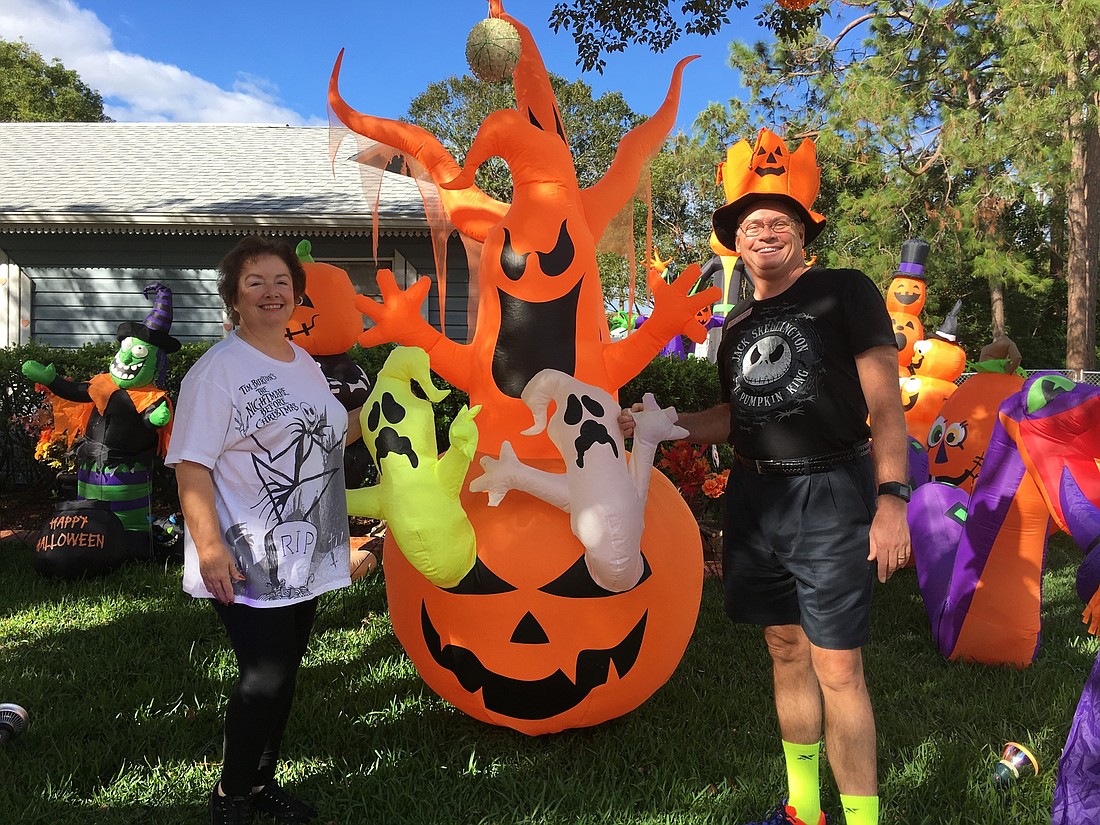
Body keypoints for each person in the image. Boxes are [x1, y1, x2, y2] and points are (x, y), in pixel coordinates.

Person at [621, 129, 910, 825]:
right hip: (756, 498)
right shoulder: (739, 318)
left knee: (838, 666)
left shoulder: (845, 292)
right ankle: (804, 810)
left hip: (833, 493)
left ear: (805, 231)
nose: (765, 230)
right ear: (736, 240)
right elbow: (734, 415)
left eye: (780, 219)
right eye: (752, 222)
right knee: (785, 650)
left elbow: (885, 408)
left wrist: (892, 500)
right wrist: (657, 426)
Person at [166, 236, 361, 825]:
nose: (271, 292)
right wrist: (209, 548)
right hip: (249, 551)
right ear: (234, 299)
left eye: (281, 281)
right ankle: (230, 797)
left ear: (297, 295)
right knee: (265, 675)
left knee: (285, 673)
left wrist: (384, 413)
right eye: (255, 282)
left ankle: (259, 784)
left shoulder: (301, 361)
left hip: (307, 548)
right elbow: (192, 464)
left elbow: (318, 439)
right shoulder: (218, 372)